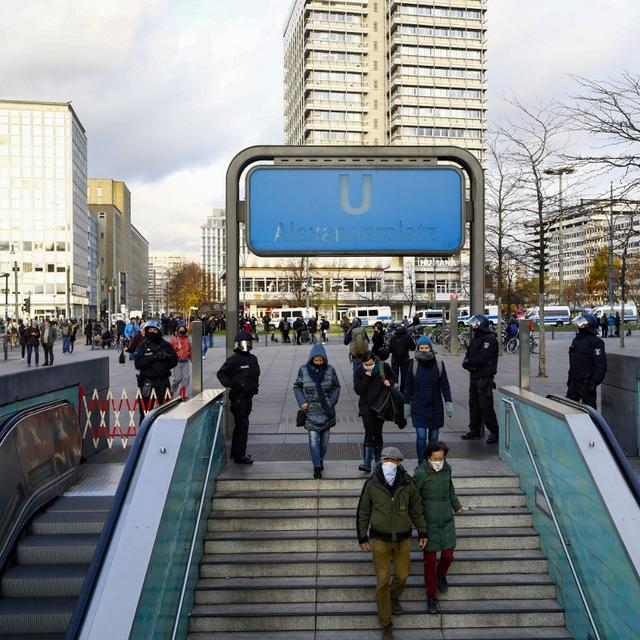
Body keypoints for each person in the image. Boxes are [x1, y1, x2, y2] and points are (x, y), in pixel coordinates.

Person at [356, 446, 428, 640]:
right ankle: (386, 623)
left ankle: (393, 597)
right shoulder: (372, 484)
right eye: (384, 459)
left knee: (403, 575)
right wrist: (362, 537)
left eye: (391, 460)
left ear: (399, 463)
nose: (388, 463)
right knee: (382, 580)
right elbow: (363, 511)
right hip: (380, 539)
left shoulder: (407, 482)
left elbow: (416, 509)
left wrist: (423, 531)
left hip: (403, 538)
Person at [413, 441, 464, 615]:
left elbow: (450, 489)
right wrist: (418, 523)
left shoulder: (447, 469)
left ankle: (441, 574)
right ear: (428, 457)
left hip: (446, 520)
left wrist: (456, 506)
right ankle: (431, 596)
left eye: (441, 459)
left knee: (448, 556)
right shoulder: (420, 474)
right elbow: (414, 498)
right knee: (429, 562)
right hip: (429, 522)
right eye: (436, 459)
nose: (439, 462)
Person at [293, 344, 341, 478]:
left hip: (327, 411)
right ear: (311, 359)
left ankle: (319, 459)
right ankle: (317, 466)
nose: (319, 363)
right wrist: (302, 402)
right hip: (311, 410)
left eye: (321, 360)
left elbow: (336, 387)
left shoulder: (330, 370)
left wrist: (331, 402)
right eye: (316, 360)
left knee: (324, 443)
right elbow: (297, 386)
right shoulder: (303, 370)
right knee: (313, 439)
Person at [404, 336, 453, 465]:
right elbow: (408, 386)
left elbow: (445, 385)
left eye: (426, 347)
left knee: (434, 439)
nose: (424, 350)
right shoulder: (413, 365)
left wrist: (448, 402)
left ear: (431, 348)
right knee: (421, 436)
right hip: (418, 406)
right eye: (422, 348)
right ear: (417, 349)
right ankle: (421, 463)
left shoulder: (438, 365)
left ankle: (432, 462)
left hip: (435, 407)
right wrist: (406, 404)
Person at [216, 331, 261, 464]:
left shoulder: (253, 359)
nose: (247, 345)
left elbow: (254, 374)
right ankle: (239, 455)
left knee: (242, 425)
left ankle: (237, 453)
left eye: (249, 342)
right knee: (242, 426)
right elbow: (221, 374)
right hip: (238, 399)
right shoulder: (234, 359)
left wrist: (253, 387)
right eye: (245, 342)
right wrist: (235, 384)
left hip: (248, 397)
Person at [354, 351, 396, 472]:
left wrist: (390, 382)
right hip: (366, 405)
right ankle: (367, 462)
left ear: (375, 361)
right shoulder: (359, 371)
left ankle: (378, 460)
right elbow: (358, 390)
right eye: (366, 364)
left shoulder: (383, 367)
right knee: (369, 431)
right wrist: (367, 377)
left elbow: (393, 377)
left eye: (371, 364)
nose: (369, 366)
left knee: (378, 432)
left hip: (381, 405)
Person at [461, 315, 499, 444]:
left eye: (475, 325)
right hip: (474, 376)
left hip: (484, 378)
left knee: (485, 406)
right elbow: (469, 355)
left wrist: (469, 361)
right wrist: (467, 362)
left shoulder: (490, 340)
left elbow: (482, 358)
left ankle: (494, 432)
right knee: (474, 405)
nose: (473, 328)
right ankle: (474, 430)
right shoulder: (476, 339)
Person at [133, 319, 178, 422]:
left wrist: (166, 357)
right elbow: (138, 364)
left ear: (159, 330)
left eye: (154, 330)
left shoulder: (166, 345)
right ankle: (144, 436)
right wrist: (153, 357)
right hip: (147, 383)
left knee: (165, 411)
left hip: (163, 382)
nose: (152, 332)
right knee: (145, 413)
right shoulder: (142, 346)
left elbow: (174, 361)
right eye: (150, 330)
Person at [567, 313, 607, 410]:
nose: (579, 327)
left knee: (590, 412)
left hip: (587, 383)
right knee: (567, 408)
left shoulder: (596, 342)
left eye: (582, 324)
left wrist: (594, 383)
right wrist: (570, 379)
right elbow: (573, 361)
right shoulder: (576, 340)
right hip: (574, 382)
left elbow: (600, 365)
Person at [389, 324, 415, 393]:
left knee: (394, 376)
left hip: (394, 359)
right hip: (405, 359)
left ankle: (395, 393)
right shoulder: (407, 336)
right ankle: (403, 392)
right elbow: (413, 347)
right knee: (404, 376)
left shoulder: (393, 337)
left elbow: (390, 349)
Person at [170, 321, 192, 400]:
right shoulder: (174, 339)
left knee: (186, 378)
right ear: (178, 330)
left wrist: (192, 358)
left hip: (186, 361)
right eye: (180, 329)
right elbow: (171, 350)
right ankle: (172, 390)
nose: (182, 331)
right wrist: (176, 347)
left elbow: (191, 349)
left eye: (183, 329)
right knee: (177, 378)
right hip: (177, 361)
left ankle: (183, 393)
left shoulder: (188, 339)